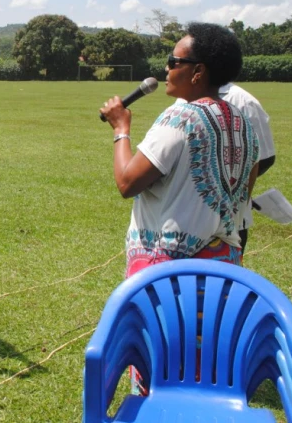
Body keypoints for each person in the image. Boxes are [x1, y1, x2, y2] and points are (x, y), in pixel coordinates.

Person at [100, 22, 260, 395]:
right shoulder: (243, 123)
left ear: (198, 71)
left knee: (160, 381)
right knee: (207, 377)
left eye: (174, 61)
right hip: (223, 269)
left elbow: (127, 182)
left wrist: (121, 129)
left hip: (170, 276)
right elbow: (244, 189)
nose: (166, 69)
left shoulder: (180, 118)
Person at [218, 82, 275, 251]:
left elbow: (265, 158)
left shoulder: (243, 101)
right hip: (186, 221)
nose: (167, 68)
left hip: (231, 218)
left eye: (174, 62)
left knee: (224, 275)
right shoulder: (183, 99)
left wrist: (229, 183)